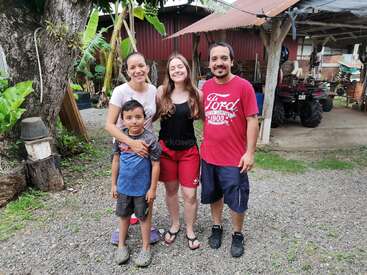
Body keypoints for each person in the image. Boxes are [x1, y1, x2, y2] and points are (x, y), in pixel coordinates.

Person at [200, 42, 259, 257]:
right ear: (210, 63)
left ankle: (237, 233)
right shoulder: (205, 87)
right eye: (214, 59)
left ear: (232, 61)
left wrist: (250, 153)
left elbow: (252, 120)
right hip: (208, 156)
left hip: (234, 158)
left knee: (237, 198)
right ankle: (216, 226)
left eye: (224, 58)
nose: (219, 63)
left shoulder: (244, 86)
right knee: (214, 194)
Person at [105, 51, 160, 244]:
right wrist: (132, 143)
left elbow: (153, 115)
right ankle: (124, 225)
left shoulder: (153, 90)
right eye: (133, 67)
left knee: (146, 188)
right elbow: (110, 124)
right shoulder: (120, 91)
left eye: (141, 66)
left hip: (146, 146)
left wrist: (144, 142)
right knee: (126, 187)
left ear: (147, 67)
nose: (138, 70)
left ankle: (147, 221)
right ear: (127, 71)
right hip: (126, 145)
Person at [156, 54, 202, 250]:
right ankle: (175, 224)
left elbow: (208, 121)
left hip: (188, 151)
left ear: (187, 69)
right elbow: (147, 118)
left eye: (180, 67)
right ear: (168, 72)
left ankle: (190, 229)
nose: (177, 70)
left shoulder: (196, 95)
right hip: (166, 150)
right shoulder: (161, 92)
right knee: (171, 191)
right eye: (173, 67)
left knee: (190, 194)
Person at [111, 100, 161, 267]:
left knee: (143, 217)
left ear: (144, 118)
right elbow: (116, 161)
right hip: (124, 187)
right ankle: (121, 245)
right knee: (124, 216)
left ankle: (146, 248)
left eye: (138, 117)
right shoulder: (120, 137)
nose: (134, 121)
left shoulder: (150, 138)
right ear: (123, 119)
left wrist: (152, 189)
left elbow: (156, 165)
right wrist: (113, 184)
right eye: (129, 117)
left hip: (142, 189)